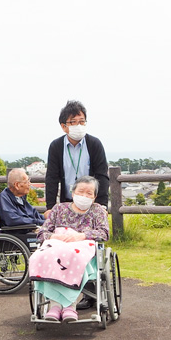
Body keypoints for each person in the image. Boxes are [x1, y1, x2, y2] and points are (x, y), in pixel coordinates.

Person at [45, 100, 110, 309]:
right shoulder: (56, 146)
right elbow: (51, 177)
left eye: (82, 121)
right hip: (67, 204)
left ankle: (90, 294)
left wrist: (101, 204)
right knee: (65, 246)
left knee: (86, 246)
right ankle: (62, 291)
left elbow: (102, 174)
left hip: (90, 203)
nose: (79, 126)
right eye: (74, 122)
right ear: (64, 126)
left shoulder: (94, 144)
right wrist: (49, 206)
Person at [29, 176, 109, 322]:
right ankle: (55, 306)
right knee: (45, 256)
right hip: (57, 244)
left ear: (95, 196)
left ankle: (69, 306)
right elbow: (42, 232)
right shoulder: (59, 209)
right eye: (81, 191)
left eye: (89, 193)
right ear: (73, 193)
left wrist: (81, 236)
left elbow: (104, 233)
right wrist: (55, 237)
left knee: (74, 257)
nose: (84, 196)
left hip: (82, 246)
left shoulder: (98, 211)